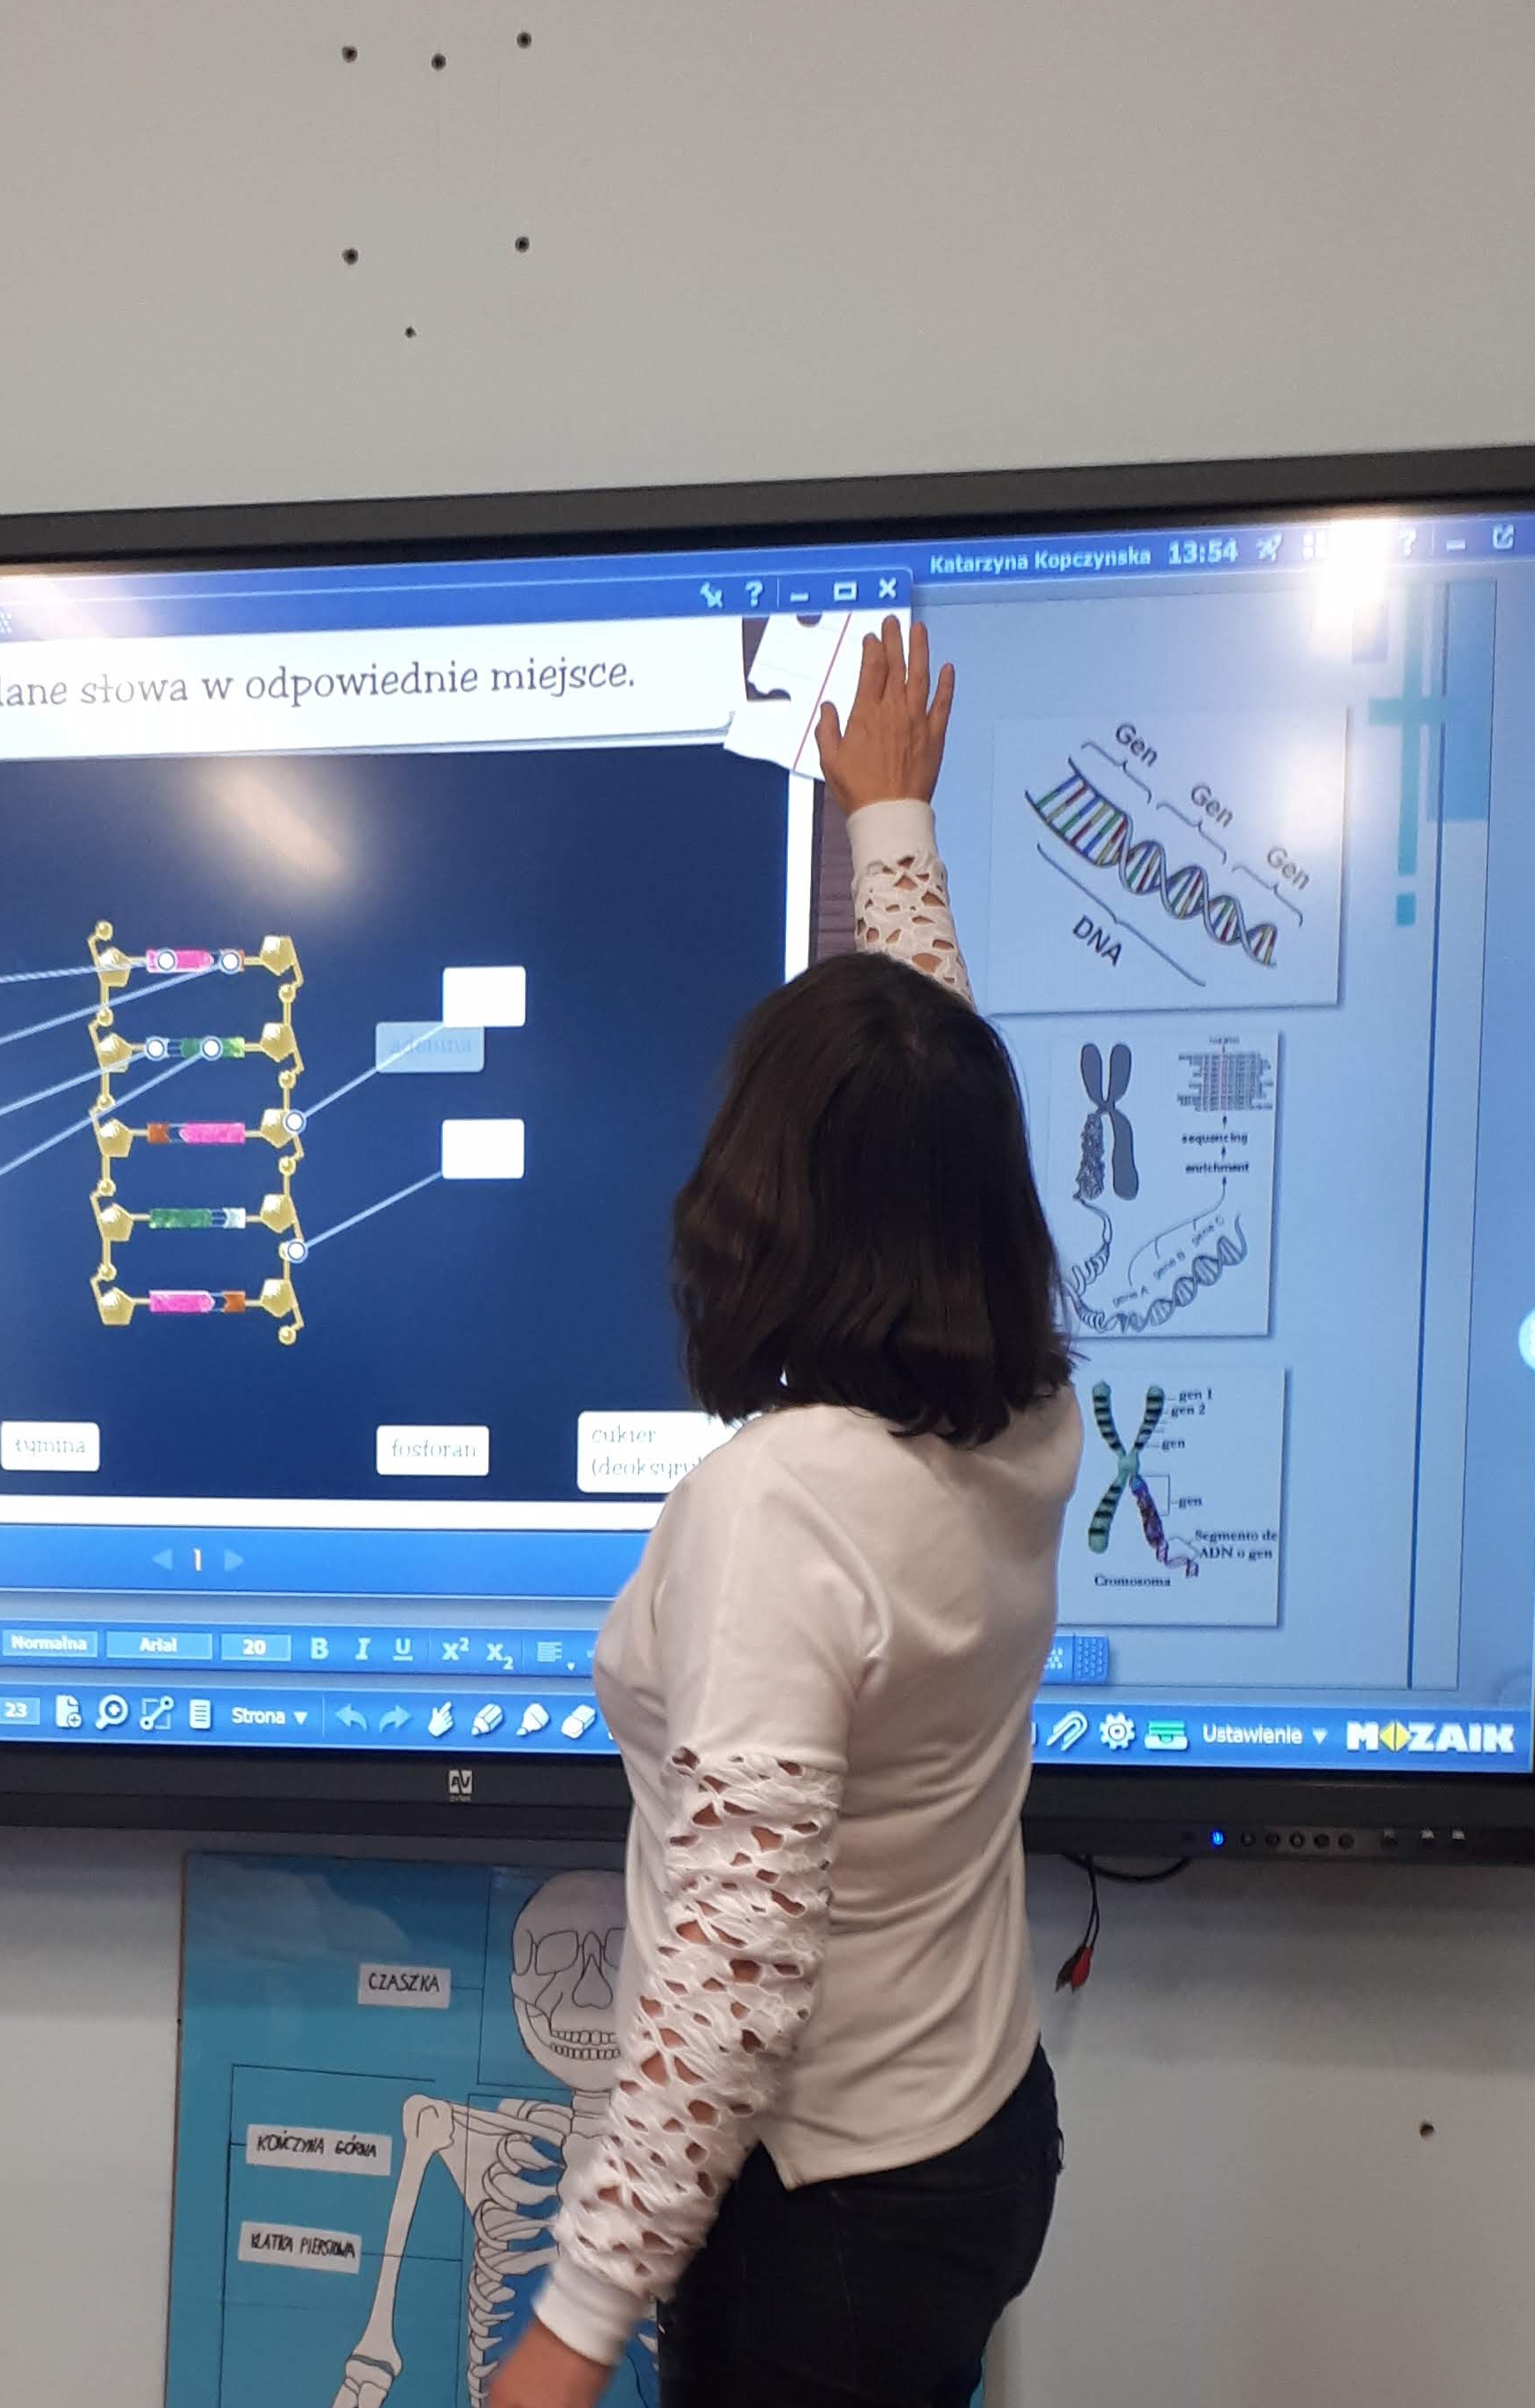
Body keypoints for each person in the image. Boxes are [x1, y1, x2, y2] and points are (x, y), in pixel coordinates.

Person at [491, 622, 1079, 2408]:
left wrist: (569, 2331)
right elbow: (933, 1123)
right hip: (974, 2128)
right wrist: (890, 825)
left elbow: (734, 1973)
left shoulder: (780, 1510)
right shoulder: (1024, 1409)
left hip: (823, 2215)